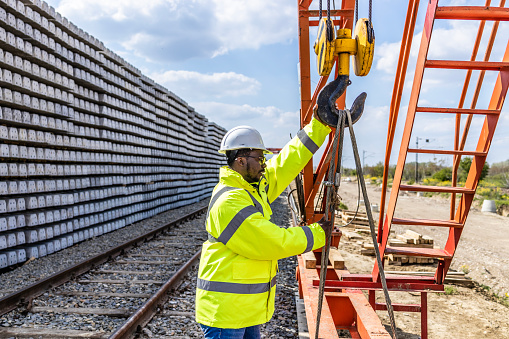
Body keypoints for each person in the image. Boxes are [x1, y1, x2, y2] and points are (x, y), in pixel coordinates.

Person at [195, 115, 332, 339]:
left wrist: (319, 124)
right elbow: (272, 242)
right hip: (226, 314)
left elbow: (285, 163)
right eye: (259, 158)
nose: (264, 164)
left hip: (244, 309)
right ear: (240, 160)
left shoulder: (251, 188)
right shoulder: (230, 201)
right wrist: (318, 234)